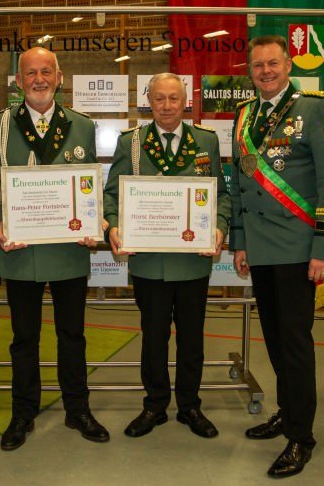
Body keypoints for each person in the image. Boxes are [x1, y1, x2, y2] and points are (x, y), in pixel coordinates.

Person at [0, 46, 109, 451]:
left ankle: (77, 409)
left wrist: (94, 220)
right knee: (24, 339)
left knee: (73, 336)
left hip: (68, 251)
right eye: (31, 73)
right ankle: (23, 413)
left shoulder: (81, 125)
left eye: (47, 71)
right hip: (21, 252)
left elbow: (89, 186)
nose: (39, 79)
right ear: (18, 81)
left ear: (59, 78)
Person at [229, 35, 324, 478]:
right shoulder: (245, 115)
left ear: (289, 65)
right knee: (276, 339)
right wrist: (240, 241)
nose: (266, 71)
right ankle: (286, 411)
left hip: (299, 248)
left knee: (295, 344)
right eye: (258, 65)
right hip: (261, 249)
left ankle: (301, 436)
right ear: (250, 70)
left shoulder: (316, 109)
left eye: (273, 63)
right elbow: (240, 183)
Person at [103, 72, 231, 440]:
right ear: (149, 102)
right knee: (153, 338)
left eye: (174, 98)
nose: (167, 105)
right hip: (150, 262)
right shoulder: (130, 143)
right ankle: (155, 405)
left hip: (192, 260)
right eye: (159, 98)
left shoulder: (206, 141)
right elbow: (111, 194)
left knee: (192, 340)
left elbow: (221, 195)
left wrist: (219, 228)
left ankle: (190, 406)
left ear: (185, 101)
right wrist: (114, 226)